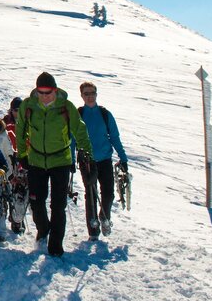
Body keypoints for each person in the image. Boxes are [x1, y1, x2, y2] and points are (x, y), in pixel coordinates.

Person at [15, 71, 92, 257]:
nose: (44, 96)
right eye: (41, 92)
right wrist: (22, 154)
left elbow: (79, 129)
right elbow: (21, 130)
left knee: (58, 205)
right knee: (36, 201)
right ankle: (43, 229)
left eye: (48, 92)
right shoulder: (28, 105)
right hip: (36, 159)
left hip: (60, 160)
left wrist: (86, 152)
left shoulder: (65, 106)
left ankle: (56, 244)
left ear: (55, 90)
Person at [78, 81, 129, 240]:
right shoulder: (78, 115)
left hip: (105, 159)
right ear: (82, 96)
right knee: (91, 194)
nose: (90, 96)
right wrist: (71, 160)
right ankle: (93, 230)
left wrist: (123, 157)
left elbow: (114, 137)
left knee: (108, 193)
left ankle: (104, 216)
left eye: (92, 93)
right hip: (87, 161)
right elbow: (72, 139)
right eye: (87, 94)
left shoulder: (105, 114)